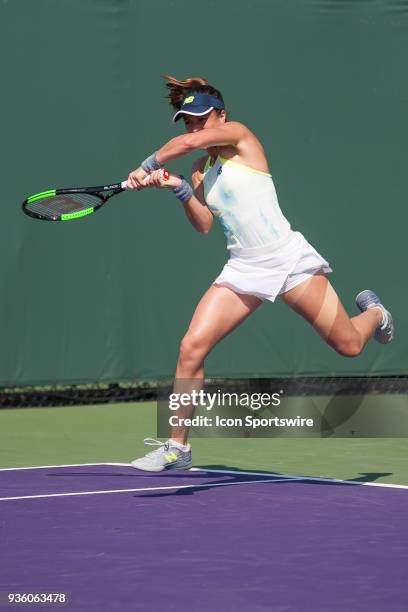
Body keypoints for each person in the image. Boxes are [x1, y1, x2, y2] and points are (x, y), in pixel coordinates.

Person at [127, 75, 394, 472]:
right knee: (191, 347)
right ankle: (177, 447)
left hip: (287, 258)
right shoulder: (202, 170)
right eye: (188, 122)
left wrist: (147, 165)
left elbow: (183, 146)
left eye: (201, 119)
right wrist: (178, 186)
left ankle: (375, 313)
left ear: (221, 115)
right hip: (243, 267)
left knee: (349, 345)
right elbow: (203, 224)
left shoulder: (240, 136)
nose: (195, 129)